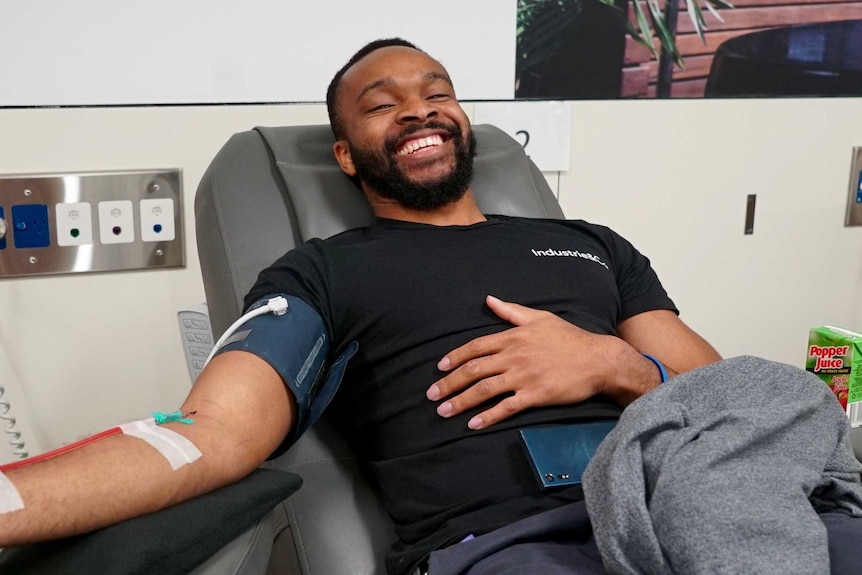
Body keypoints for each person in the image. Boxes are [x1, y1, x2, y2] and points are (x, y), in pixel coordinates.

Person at [0, 38, 857, 575]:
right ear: (345, 153)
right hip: (524, 540)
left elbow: (719, 396)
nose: (418, 108)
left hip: (699, 494)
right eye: (381, 104)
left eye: (436, 91)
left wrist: (611, 363)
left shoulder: (593, 243)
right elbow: (212, 433)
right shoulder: (326, 270)